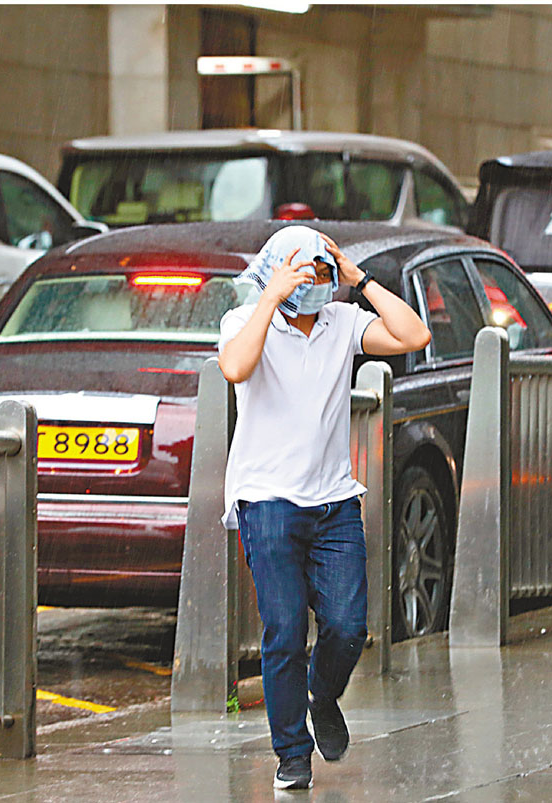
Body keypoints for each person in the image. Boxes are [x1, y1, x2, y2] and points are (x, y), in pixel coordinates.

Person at [218, 225, 431, 791]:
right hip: (267, 500)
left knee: (347, 625)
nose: (313, 282)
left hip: (334, 499)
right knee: (284, 629)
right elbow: (235, 368)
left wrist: (359, 279)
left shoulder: (344, 322)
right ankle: (292, 754)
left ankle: (323, 694)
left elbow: (414, 334)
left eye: (320, 272)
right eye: (300, 272)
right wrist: (269, 298)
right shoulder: (244, 321)